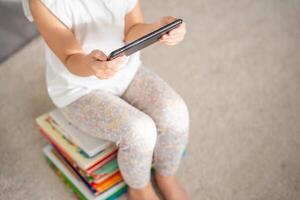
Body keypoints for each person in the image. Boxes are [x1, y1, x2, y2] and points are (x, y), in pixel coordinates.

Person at [23, 0, 189, 199]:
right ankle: (139, 189)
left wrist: (160, 28)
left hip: (126, 71)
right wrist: (92, 66)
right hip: (79, 90)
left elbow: (132, 29)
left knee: (175, 112)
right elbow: (70, 57)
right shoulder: (44, 3)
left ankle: (166, 175)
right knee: (139, 131)